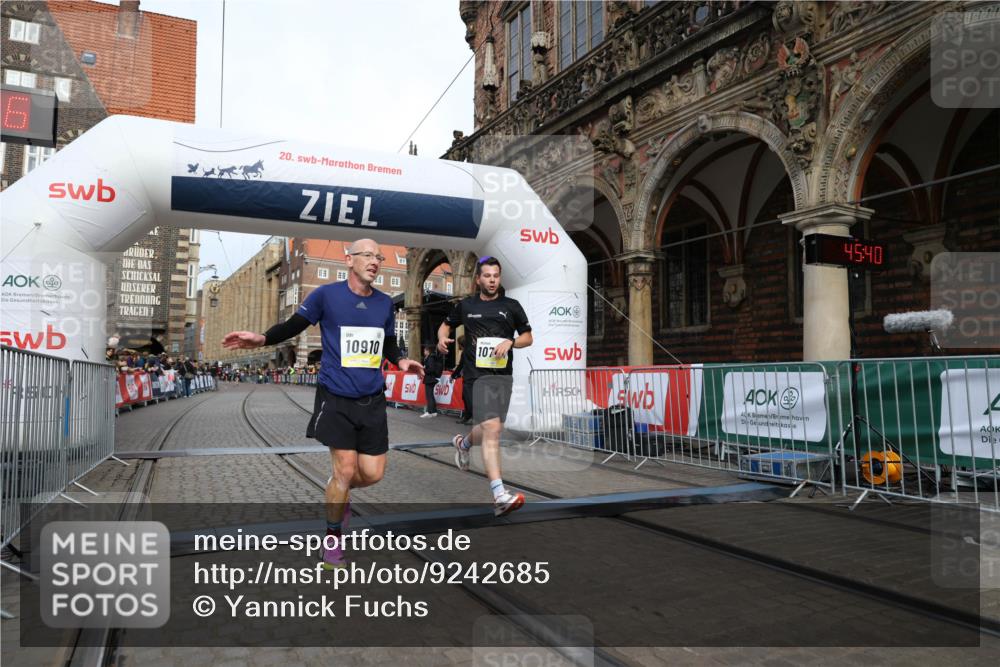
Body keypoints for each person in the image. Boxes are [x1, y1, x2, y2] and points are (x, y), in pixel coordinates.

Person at [222, 239, 423, 568]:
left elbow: (388, 342)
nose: (375, 261)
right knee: (343, 471)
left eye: (379, 257)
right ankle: (332, 542)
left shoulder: (386, 304)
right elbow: (293, 325)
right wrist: (261, 338)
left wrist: (400, 361)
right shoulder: (325, 295)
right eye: (368, 255)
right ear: (349, 259)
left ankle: (339, 495)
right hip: (335, 395)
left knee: (372, 474)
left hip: (371, 399)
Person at [437, 256, 533, 516]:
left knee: (491, 428)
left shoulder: (511, 306)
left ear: (499, 278)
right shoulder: (466, 305)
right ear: (478, 279)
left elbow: (528, 337)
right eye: (487, 275)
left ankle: (464, 444)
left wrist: (512, 342)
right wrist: (442, 338)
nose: (492, 280)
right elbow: (446, 324)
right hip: (474, 375)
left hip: (501, 375)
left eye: (496, 275)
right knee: (491, 428)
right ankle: (499, 494)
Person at [420, 345, 444, 418]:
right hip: (431, 379)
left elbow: (431, 369)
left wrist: (423, 369)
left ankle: (429, 411)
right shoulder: (431, 357)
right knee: (430, 395)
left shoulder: (430, 358)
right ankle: (433, 411)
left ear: (428, 351)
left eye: (424, 351)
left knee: (429, 395)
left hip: (430, 379)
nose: (424, 352)